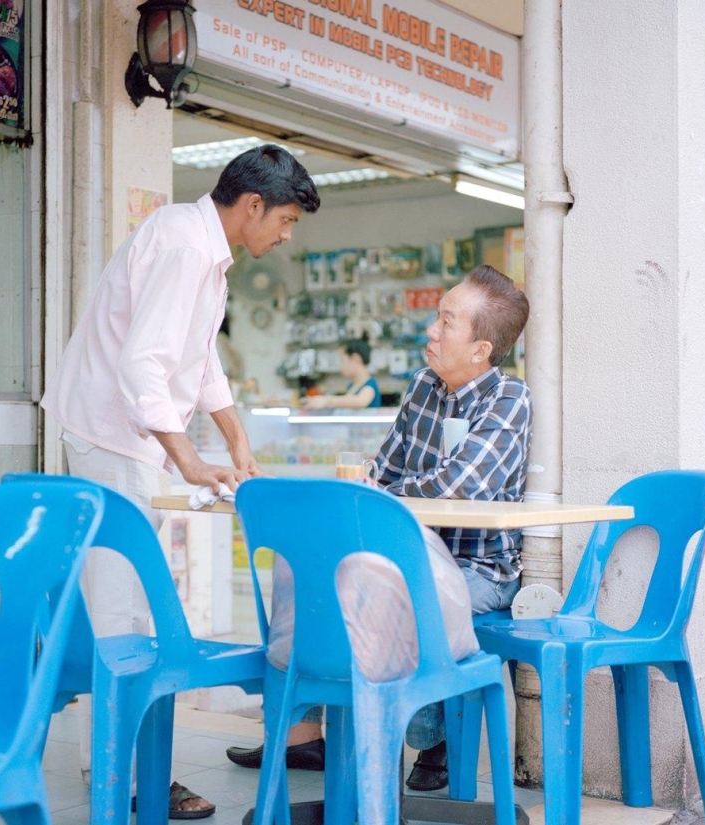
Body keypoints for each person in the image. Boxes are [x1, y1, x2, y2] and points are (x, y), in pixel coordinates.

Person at [41, 144, 320, 819]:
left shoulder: (206, 251)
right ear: (251, 205)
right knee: (122, 609)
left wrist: (234, 437)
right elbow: (144, 364)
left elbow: (197, 362)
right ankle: (129, 777)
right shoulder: (182, 245)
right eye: (283, 221)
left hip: (127, 437)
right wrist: (189, 458)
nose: (284, 236)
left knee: (131, 603)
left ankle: (114, 761)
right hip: (111, 435)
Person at [225, 265, 532, 794]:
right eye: (436, 316)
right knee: (309, 575)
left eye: (446, 322)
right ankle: (303, 734)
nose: (431, 331)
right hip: (407, 554)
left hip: (478, 568)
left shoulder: (510, 398)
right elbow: (382, 473)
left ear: (481, 349)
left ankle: (422, 734)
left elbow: (459, 486)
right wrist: (388, 487)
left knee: (390, 602)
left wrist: (393, 490)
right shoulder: (421, 387)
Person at [303, 337, 381, 409]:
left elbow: (361, 401)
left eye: (342, 360)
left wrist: (327, 401)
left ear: (355, 358)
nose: (340, 366)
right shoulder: (351, 386)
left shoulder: (370, 385)